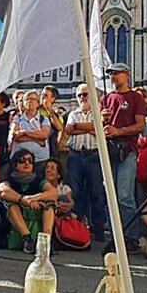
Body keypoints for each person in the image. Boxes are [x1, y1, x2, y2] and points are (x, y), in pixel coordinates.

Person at [100, 63, 145, 252]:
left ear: (127, 75)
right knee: (110, 194)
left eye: (117, 73)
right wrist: (102, 118)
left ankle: (131, 236)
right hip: (108, 150)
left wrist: (119, 131)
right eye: (111, 73)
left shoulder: (135, 98)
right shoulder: (105, 99)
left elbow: (140, 125)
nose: (113, 76)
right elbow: (100, 126)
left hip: (127, 151)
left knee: (125, 195)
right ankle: (114, 234)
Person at [64, 83, 106, 239]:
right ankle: (77, 227)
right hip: (75, 156)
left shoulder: (99, 113)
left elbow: (100, 129)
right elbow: (68, 130)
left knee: (96, 193)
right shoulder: (73, 113)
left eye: (85, 94)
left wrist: (78, 127)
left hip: (94, 156)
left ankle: (98, 229)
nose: (82, 98)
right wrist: (92, 127)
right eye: (79, 95)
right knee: (75, 192)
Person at [0, 149, 55, 253]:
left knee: (49, 205)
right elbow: (1, 191)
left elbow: (53, 193)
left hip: (35, 211)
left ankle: (46, 241)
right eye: (22, 160)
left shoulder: (39, 180)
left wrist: (34, 199)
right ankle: (26, 239)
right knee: (12, 205)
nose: (26, 163)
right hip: (12, 221)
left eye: (29, 160)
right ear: (14, 165)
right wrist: (22, 199)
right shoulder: (9, 180)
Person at [9, 90, 51, 164]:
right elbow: (15, 136)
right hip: (20, 160)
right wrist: (37, 139)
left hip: (40, 159)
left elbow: (44, 136)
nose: (30, 101)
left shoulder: (44, 119)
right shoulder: (17, 118)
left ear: (38, 103)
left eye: (33, 99)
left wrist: (24, 132)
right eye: (27, 99)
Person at [40, 84, 67, 160]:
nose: (42, 97)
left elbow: (60, 128)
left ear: (52, 99)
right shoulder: (35, 111)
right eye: (42, 94)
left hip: (49, 149)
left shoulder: (57, 116)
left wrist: (49, 110)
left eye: (45, 95)